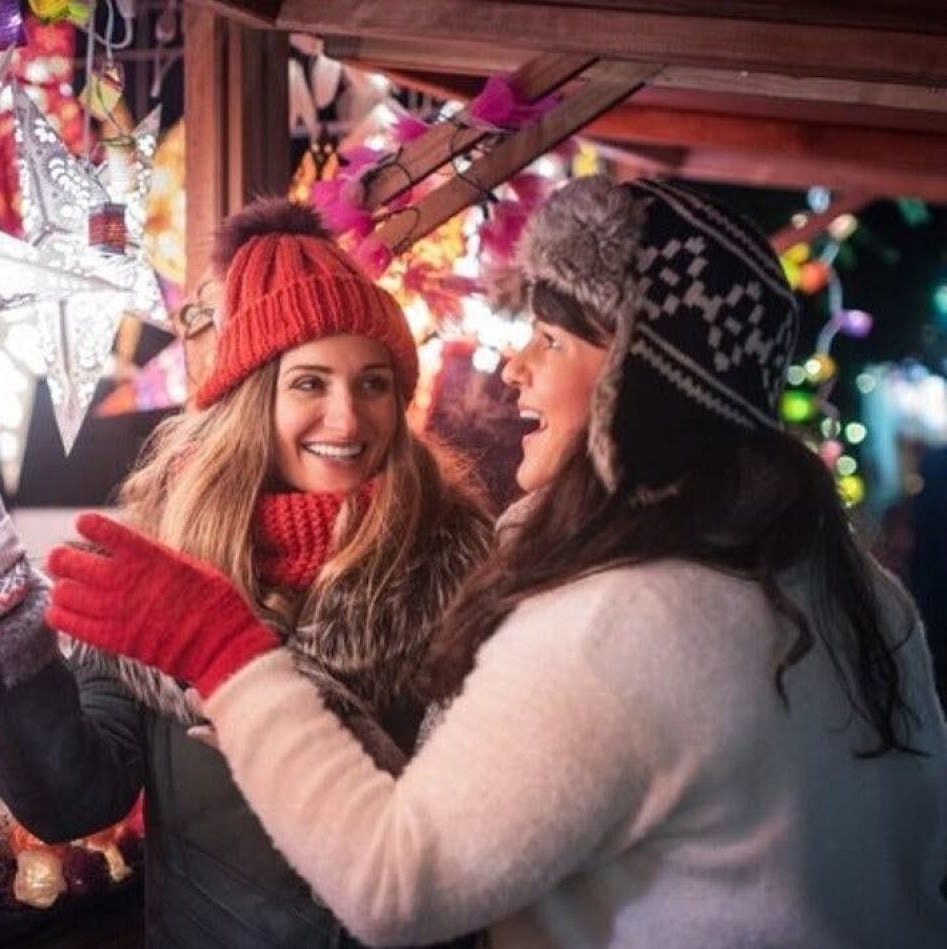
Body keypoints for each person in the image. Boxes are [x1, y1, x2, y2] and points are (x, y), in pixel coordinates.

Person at [47, 177, 947, 947]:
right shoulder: (860, 590)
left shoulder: (617, 618)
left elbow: (395, 884)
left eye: (550, 340)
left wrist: (227, 652)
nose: (514, 368)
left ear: (640, 384)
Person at [0, 199, 492, 945]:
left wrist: (299, 718)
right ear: (251, 395)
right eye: (310, 383)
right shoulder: (164, 557)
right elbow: (72, 799)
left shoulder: (458, 564)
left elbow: (478, 834)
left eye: (373, 383)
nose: (347, 419)